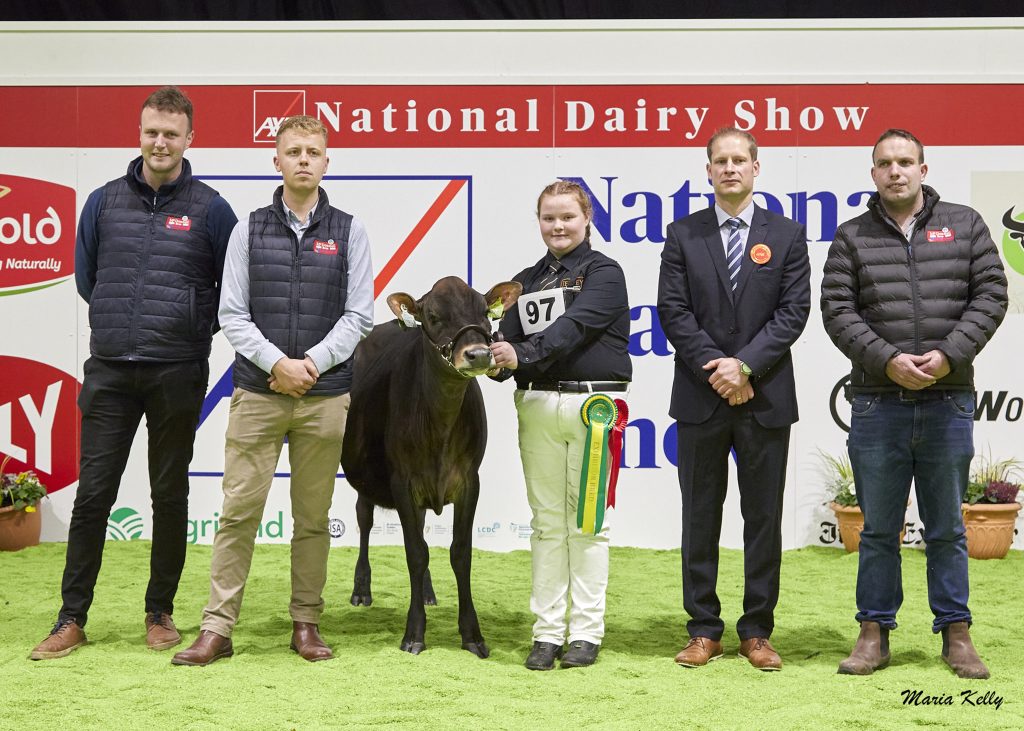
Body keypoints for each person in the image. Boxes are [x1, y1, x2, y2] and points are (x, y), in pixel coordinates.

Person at [30, 87, 238, 661]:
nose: (160, 142)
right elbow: (88, 279)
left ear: (190, 138)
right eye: (152, 132)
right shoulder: (102, 202)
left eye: (171, 133)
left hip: (178, 371)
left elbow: (231, 292)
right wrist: (123, 325)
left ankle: (159, 611)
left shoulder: (213, 210)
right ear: (139, 134)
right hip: (111, 371)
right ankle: (71, 617)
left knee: (168, 493)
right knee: (93, 494)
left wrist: (188, 329)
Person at [171, 115, 373, 666]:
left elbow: (359, 315)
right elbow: (232, 315)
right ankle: (217, 628)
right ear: (276, 160)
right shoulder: (248, 229)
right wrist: (278, 364)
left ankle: (306, 623)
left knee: (312, 519)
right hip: (259, 394)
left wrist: (310, 365)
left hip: (325, 396)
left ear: (326, 162)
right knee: (238, 514)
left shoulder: (350, 231)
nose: (304, 159)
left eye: (313, 152)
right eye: (294, 151)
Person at [821, 128, 1007, 679]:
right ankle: (873, 632)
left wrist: (949, 356)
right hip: (878, 403)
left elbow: (991, 294)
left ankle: (956, 633)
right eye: (885, 163)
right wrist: (887, 360)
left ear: (923, 170)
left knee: (946, 526)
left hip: (948, 399)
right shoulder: (852, 236)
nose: (895, 171)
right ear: (873, 172)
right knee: (879, 527)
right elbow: (837, 310)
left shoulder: (966, 224)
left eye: (905, 162)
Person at [657, 128, 810, 672]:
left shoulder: (787, 235)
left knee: (763, 517)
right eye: (720, 161)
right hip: (701, 396)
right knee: (699, 515)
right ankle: (703, 629)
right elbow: (673, 311)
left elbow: (793, 312)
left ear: (756, 167)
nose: (729, 168)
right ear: (708, 170)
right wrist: (720, 369)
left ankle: (757, 631)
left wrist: (744, 366)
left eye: (739, 159)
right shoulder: (682, 234)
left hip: (764, 396)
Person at [488, 180, 631, 670]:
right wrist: (492, 359)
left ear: (587, 219)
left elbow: (572, 329)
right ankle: (547, 633)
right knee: (547, 525)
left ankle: (586, 633)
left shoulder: (605, 273)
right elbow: (504, 340)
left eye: (568, 216)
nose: (558, 226)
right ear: (539, 222)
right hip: (536, 406)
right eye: (549, 217)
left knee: (588, 524)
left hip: (594, 407)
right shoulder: (523, 281)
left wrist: (520, 353)